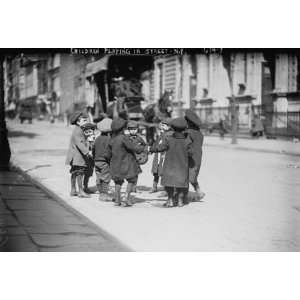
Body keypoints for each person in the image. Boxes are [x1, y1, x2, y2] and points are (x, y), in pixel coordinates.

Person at [150, 117, 193, 207]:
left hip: (170, 165)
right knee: (180, 184)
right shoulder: (187, 141)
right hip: (182, 166)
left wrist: (151, 149)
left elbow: (160, 147)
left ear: (173, 128)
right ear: (184, 129)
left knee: (168, 184)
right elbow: (190, 153)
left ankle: (170, 200)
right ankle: (180, 200)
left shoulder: (169, 139)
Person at [104, 118, 145, 207]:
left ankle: (117, 200)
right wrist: (143, 149)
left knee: (118, 182)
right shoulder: (123, 138)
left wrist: (110, 161)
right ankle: (126, 197)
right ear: (122, 129)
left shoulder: (111, 139)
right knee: (131, 180)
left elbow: (107, 155)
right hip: (127, 164)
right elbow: (133, 147)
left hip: (115, 165)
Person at [65, 111, 91, 198]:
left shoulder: (78, 129)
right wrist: (87, 152)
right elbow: (80, 143)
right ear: (78, 121)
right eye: (84, 120)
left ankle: (73, 190)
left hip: (75, 156)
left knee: (74, 172)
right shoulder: (78, 131)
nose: (86, 122)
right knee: (80, 173)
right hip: (78, 156)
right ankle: (80, 191)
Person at [185, 109, 206, 202]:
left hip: (190, 157)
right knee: (192, 176)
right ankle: (198, 191)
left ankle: (185, 195)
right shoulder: (200, 134)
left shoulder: (189, 133)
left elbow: (186, 145)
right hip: (198, 157)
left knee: (186, 176)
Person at [150, 118, 172, 193]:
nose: (162, 127)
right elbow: (156, 143)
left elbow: (165, 145)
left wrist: (162, 134)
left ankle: (166, 188)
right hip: (158, 155)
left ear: (169, 127)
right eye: (162, 125)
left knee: (163, 172)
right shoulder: (161, 134)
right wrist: (152, 150)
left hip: (164, 155)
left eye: (164, 125)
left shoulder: (169, 135)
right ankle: (154, 186)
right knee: (156, 171)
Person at [93, 117, 113, 201]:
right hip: (104, 162)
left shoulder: (97, 139)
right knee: (106, 178)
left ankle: (100, 192)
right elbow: (108, 152)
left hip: (96, 161)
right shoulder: (109, 139)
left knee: (99, 177)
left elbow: (93, 150)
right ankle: (104, 195)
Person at [126, 121, 147, 193]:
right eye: (131, 129)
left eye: (135, 129)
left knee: (136, 173)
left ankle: (134, 188)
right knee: (129, 174)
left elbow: (145, 146)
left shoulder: (139, 138)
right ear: (128, 130)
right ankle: (129, 187)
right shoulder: (125, 138)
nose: (133, 131)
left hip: (137, 159)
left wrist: (144, 154)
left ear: (137, 129)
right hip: (128, 159)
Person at [81, 122, 97, 194]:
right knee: (83, 173)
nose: (88, 133)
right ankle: (83, 187)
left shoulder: (94, 139)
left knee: (88, 174)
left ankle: (85, 186)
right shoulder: (83, 139)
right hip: (84, 159)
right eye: (86, 132)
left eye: (90, 132)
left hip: (91, 160)